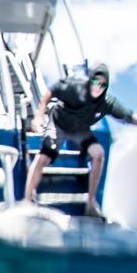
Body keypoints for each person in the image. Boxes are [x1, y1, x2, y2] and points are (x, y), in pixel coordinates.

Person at [24, 64, 137, 218]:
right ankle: (27, 199)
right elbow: (50, 92)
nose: (98, 87)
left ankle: (90, 204)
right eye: (95, 82)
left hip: (79, 129)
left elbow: (129, 117)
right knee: (44, 157)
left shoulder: (106, 102)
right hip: (59, 123)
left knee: (98, 154)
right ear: (90, 81)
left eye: (102, 85)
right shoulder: (74, 88)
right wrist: (38, 116)